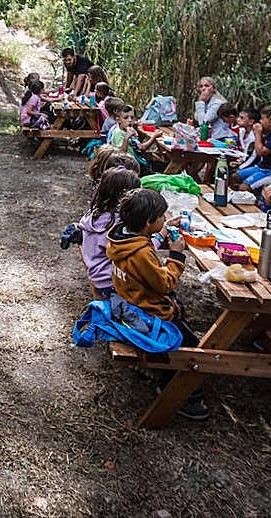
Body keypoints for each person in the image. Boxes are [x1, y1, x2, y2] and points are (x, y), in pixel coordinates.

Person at [106, 188, 208, 420]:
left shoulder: (122, 239)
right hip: (147, 314)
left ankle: (160, 371)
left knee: (183, 326)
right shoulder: (141, 254)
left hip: (127, 303)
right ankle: (184, 396)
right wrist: (176, 256)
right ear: (148, 221)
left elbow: (144, 245)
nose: (164, 218)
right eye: (161, 217)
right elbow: (165, 284)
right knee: (190, 345)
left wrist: (161, 232)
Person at [80, 167, 142, 297]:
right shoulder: (117, 225)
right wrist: (160, 236)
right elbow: (138, 251)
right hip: (109, 282)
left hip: (96, 270)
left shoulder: (96, 213)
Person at [235, 108, 271, 189]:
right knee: (235, 177)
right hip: (260, 167)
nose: (260, 121)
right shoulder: (270, 134)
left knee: (244, 187)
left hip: (270, 171)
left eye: (262, 119)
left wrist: (258, 133)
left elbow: (260, 152)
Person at [193, 76, 232, 140]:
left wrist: (200, 101)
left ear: (213, 88)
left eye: (206, 86)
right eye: (201, 86)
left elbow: (204, 123)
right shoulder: (205, 102)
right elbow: (197, 118)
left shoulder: (218, 103)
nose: (203, 88)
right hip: (209, 138)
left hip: (220, 138)